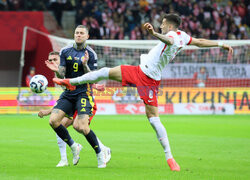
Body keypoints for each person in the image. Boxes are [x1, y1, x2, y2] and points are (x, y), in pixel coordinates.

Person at [53, 13, 233, 171]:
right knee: (104, 71)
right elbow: (200, 42)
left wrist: (154, 33)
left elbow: (169, 41)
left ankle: (169, 157)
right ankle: (69, 81)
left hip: (150, 81)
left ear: (169, 25)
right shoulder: (183, 35)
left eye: (162, 23)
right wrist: (220, 44)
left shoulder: (171, 35)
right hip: (138, 70)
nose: (161, 25)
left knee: (154, 120)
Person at [46, 25, 109, 168]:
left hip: (83, 93)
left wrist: (85, 64)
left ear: (87, 36)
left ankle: (100, 154)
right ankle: (74, 146)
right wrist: (56, 71)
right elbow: (62, 74)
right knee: (53, 121)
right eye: (76, 33)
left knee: (82, 127)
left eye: (81, 33)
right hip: (69, 92)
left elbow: (93, 77)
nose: (78, 35)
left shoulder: (91, 54)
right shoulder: (65, 51)